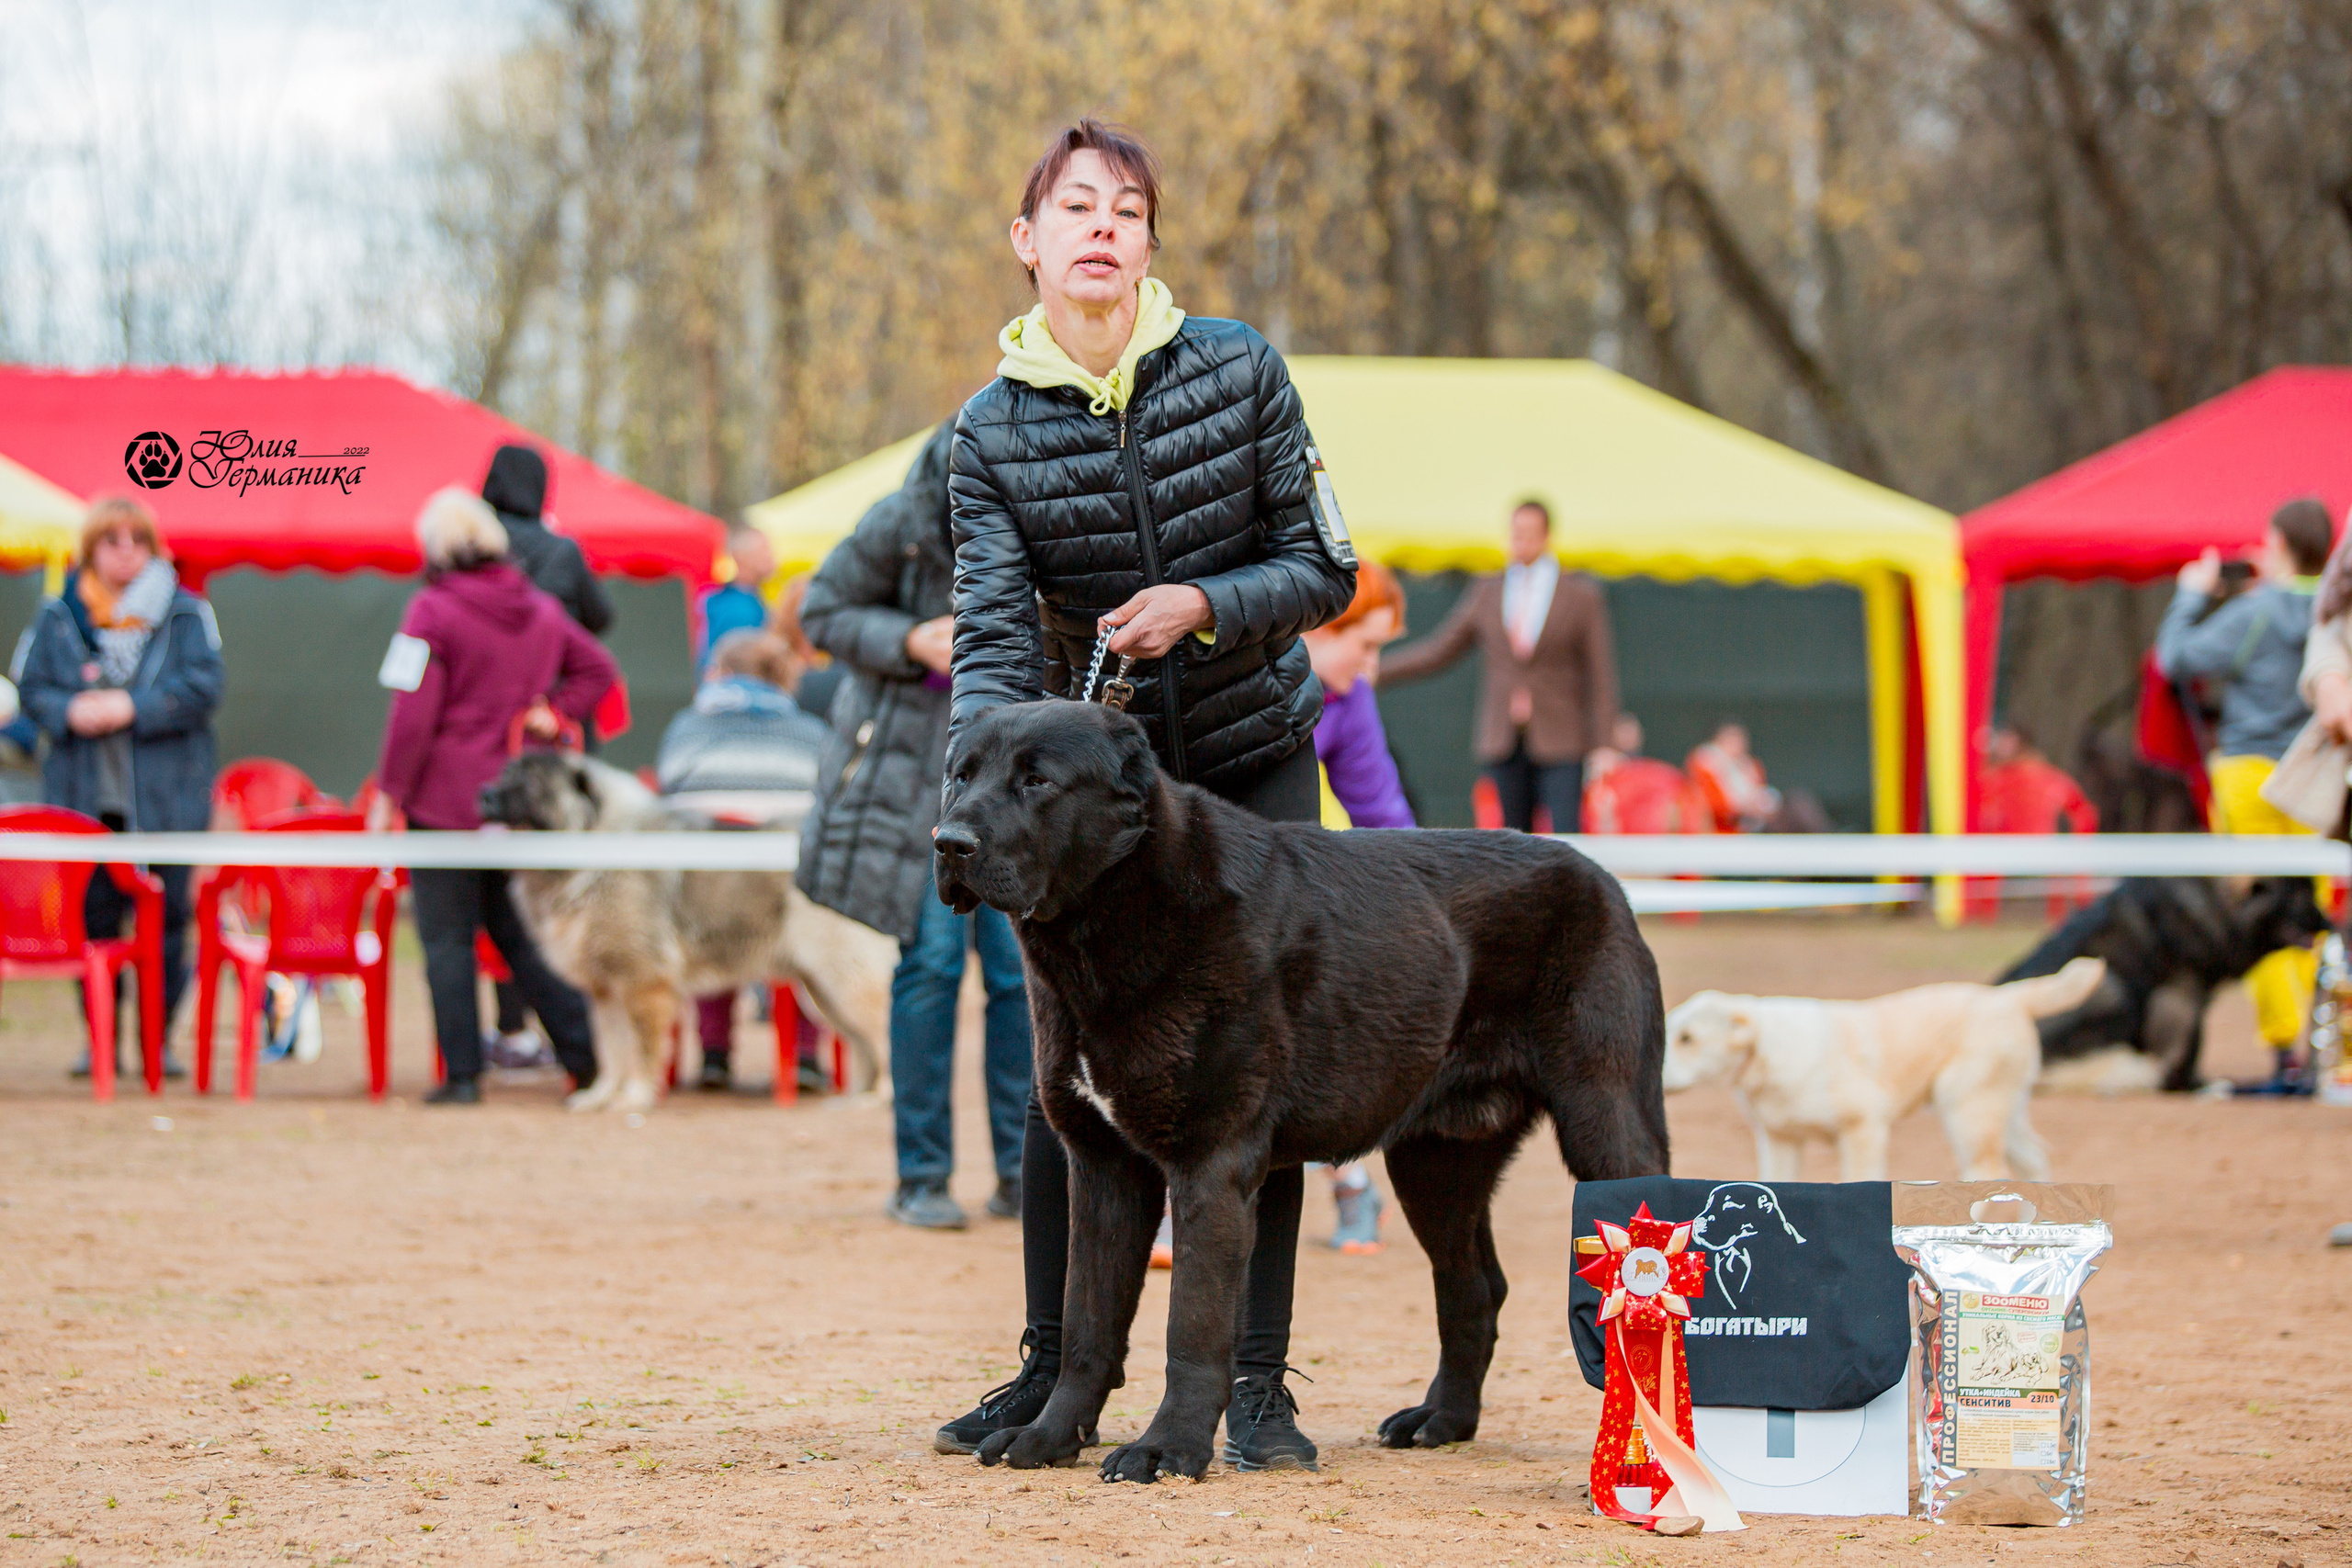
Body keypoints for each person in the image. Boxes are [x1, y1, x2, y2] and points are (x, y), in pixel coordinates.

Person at [935, 118, 1357, 1471]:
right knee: (1068, 1082)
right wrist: (981, 798)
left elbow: (1324, 566)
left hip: (1252, 755)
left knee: (1258, 1085)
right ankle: (1054, 1374)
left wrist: (1206, 607)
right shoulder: (986, 437)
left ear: (1150, 244)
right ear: (1030, 241)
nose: (1102, 225)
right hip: (1091, 809)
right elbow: (995, 648)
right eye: (1074, 205)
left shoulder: (1239, 369)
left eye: (1128, 206)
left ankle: (1258, 1386)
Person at [797, 421, 1033, 1231]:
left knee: (1018, 979)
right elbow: (821, 610)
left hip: (1012, 794)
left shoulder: (1043, 509)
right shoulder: (897, 523)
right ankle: (922, 1176)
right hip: (918, 789)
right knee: (930, 968)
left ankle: (1021, 1173)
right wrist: (908, 640)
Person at [368, 488, 617, 1105]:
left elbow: (411, 718)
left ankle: (461, 1075)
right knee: (521, 936)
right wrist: (554, 709)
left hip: (445, 802)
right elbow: (599, 669)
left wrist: (388, 793)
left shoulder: (430, 611)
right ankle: (585, 1058)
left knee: (448, 938)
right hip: (517, 803)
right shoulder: (538, 607)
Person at [14, 496, 222, 1078]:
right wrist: (69, 711)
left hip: (166, 799)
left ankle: (158, 1042)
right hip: (87, 799)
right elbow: (33, 690)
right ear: (92, 549)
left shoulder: (187, 614)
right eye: (113, 539)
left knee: (168, 923)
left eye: (137, 539)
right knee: (94, 922)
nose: (125, 550)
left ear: (152, 549)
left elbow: (205, 686)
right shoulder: (58, 616)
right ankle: (100, 1038)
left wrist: (134, 707)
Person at [2157, 497, 2332, 1081]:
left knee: (2260, 912)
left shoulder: (2254, 612)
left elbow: (2175, 658)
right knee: (2311, 907)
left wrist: (2193, 595)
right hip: (2317, 775)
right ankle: (2321, 1037)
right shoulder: (2337, 613)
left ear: (2280, 543)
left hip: (2248, 775)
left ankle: (2288, 1049)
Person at [480, 443, 614, 1067]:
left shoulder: (474, 551)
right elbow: (601, 618)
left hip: (491, 745)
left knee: (509, 890)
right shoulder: (561, 550)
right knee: (570, 888)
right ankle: (577, 1036)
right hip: (557, 745)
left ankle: (510, 1028)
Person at [1298, 559, 1414, 1254]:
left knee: (1326, 1025)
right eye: (1363, 645)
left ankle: (1354, 1187)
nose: (1370, 667)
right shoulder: (1232, 680)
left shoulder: (1349, 698)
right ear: (1318, 625)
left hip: (1304, 890)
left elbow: (1381, 812)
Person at [658, 627, 830, 1089]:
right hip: (786, 892)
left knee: (703, 916)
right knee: (804, 936)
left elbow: (669, 788)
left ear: (723, 673)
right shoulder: (811, 731)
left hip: (706, 892)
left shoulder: (688, 726)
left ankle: (714, 1052)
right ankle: (807, 1056)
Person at [1378, 499, 1617, 832]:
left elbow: (1600, 673)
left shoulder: (1579, 594)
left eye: (1529, 532)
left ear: (1546, 535)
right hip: (1504, 739)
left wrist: (1604, 743)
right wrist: (1376, 670)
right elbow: (1441, 650)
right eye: (1516, 532)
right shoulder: (1488, 590)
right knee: (1513, 839)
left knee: (1566, 833)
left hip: (1561, 738)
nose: (1520, 540)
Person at [1582, 714, 1709, 835]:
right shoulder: (1604, 774)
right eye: (1623, 732)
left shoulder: (1657, 772)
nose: (1627, 737)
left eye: (1631, 732)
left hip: (1656, 841)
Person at [695, 525, 776, 675]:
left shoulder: (731, 600)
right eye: (764, 550)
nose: (771, 556)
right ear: (741, 558)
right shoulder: (738, 609)